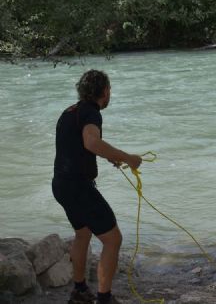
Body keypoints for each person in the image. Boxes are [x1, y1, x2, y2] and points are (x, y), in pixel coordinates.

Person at [52, 70, 142, 304]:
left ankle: (80, 291)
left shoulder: (69, 112)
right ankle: (104, 298)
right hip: (77, 187)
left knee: (82, 234)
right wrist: (128, 157)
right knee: (113, 240)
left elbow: (77, 147)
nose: (110, 93)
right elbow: (91, 142)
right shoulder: (91, 112)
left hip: (61, 185)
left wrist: (111, 157)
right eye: (109, 89)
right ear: (103, 91)